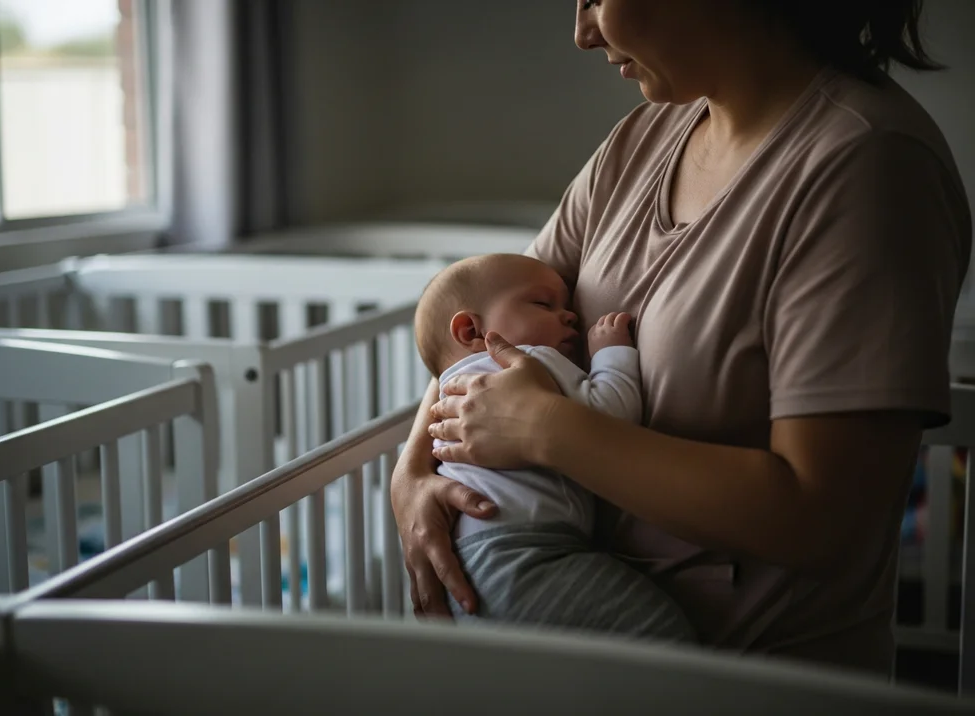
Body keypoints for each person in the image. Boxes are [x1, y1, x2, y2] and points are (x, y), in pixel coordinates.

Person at [391, 0, 972, 677]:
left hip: (754, 680)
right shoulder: (642, 140)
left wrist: (550, 430)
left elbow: (819, 518)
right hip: (576, 661)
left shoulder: (866, 165)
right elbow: (479, 335)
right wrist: (409, 476)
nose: (581, 34)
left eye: (595, 0)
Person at [415, 253, 694, 642]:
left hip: (465, 558)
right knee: (660, 633)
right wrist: (611, 355)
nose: (571, 317)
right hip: (526, 554)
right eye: (544, 304)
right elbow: (611, 417)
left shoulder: (450, 390)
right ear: (470, 331)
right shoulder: (529, 359)